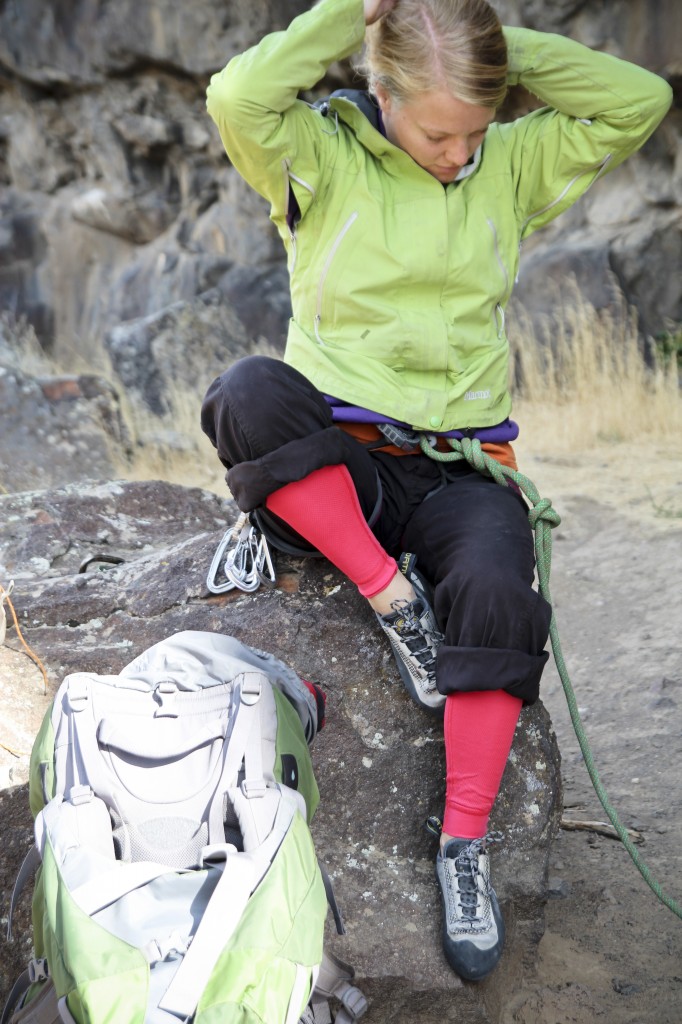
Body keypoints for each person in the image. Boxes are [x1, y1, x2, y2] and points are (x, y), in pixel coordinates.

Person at [201, 0, 672, 982]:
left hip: (464, 467)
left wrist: (489, 59)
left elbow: (639, 98)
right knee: (246, 395)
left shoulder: (507, 159)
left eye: (474, 127)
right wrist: (353, 13)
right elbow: (237, 91)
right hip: (347, 464)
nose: (459, 152)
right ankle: (389, 598)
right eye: (434, 130)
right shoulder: (316, 154)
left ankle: (462, 847)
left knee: (502, 598)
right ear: (380, 93)